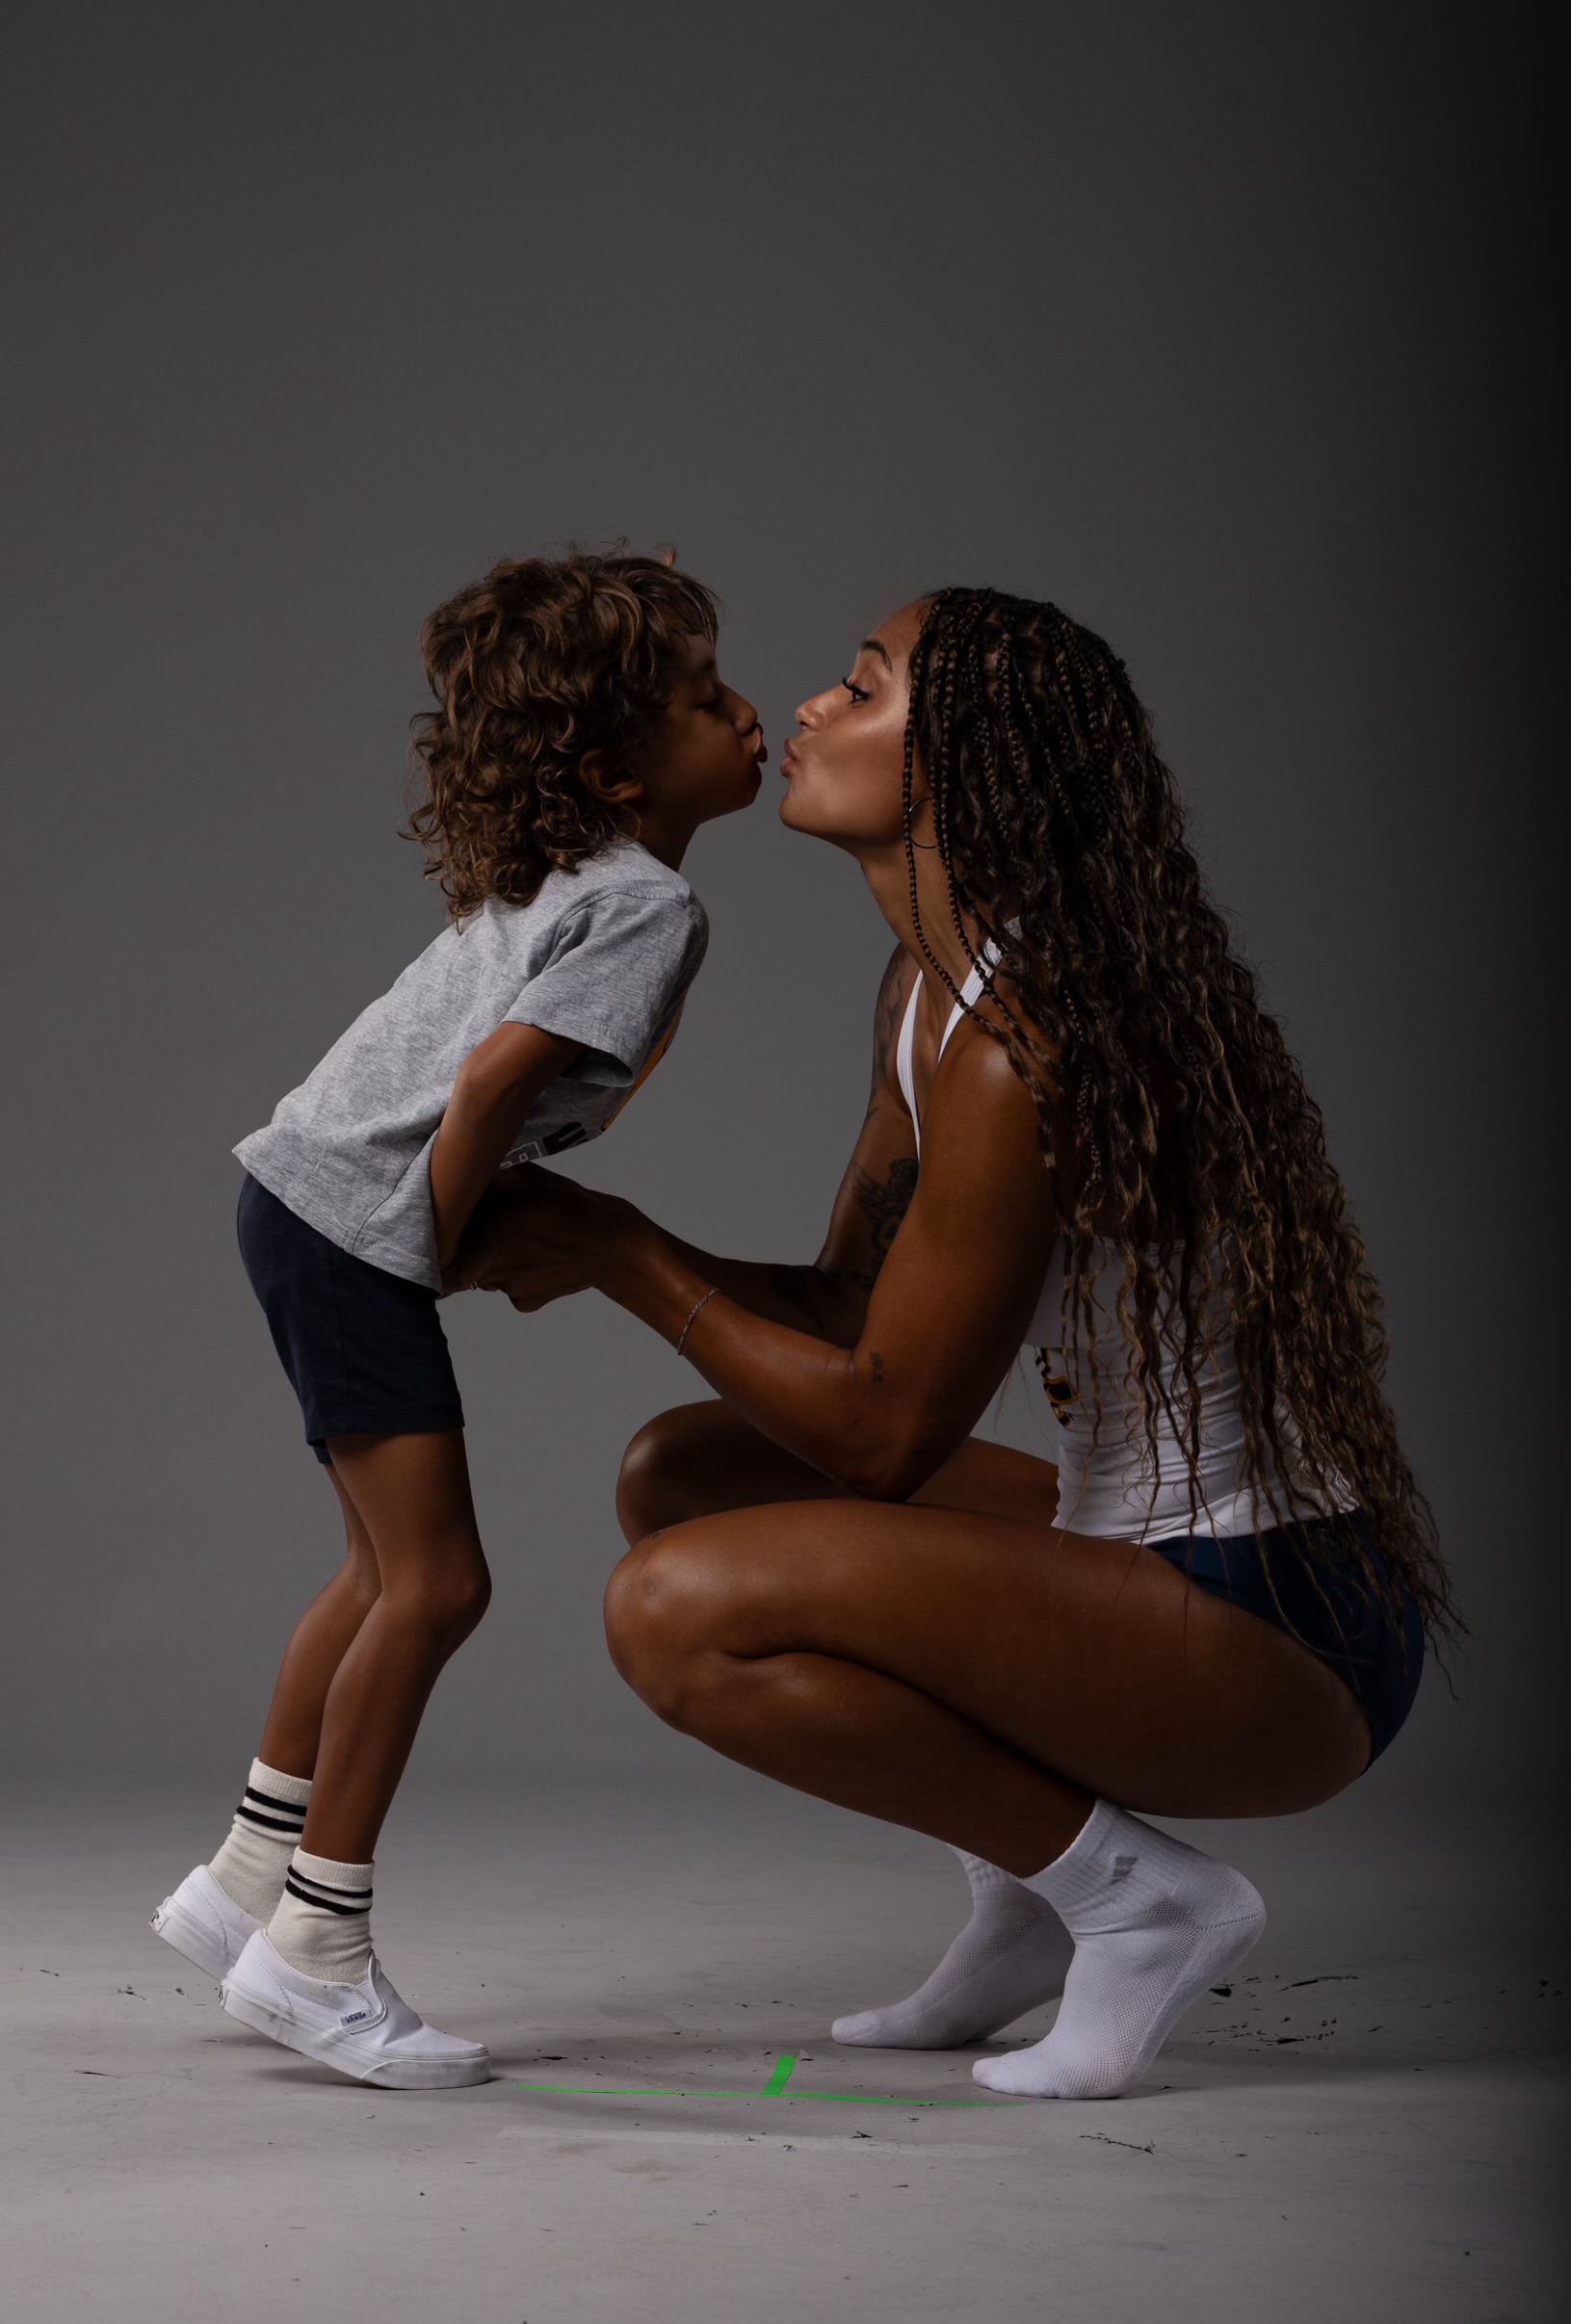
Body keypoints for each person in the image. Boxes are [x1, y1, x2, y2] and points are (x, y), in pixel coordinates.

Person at [454, 587, 1456, 2102]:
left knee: (673, 1611)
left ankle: (1137, 1900)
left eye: (859, 692)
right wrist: (586, 1236)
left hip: (1279, 1631)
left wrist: (619, 1253)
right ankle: (1031, 1903)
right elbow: (861, 1320)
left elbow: (883, 1432)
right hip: (1141, 1564)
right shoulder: (929, 987)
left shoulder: (1016, 1039)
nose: (804, 710)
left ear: (967, 766)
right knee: (691, 1474)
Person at [152, 549, 765, 2089]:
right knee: (439, 1588)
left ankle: (240, 1884)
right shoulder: (651, 906)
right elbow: (492, 1084)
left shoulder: (584, 882)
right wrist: (437, 1237)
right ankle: (316, 1954)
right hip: (347, 1229)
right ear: (623, 767)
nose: (751, 713)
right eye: (708, 701)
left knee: (376, 1569)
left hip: (290, 1202)